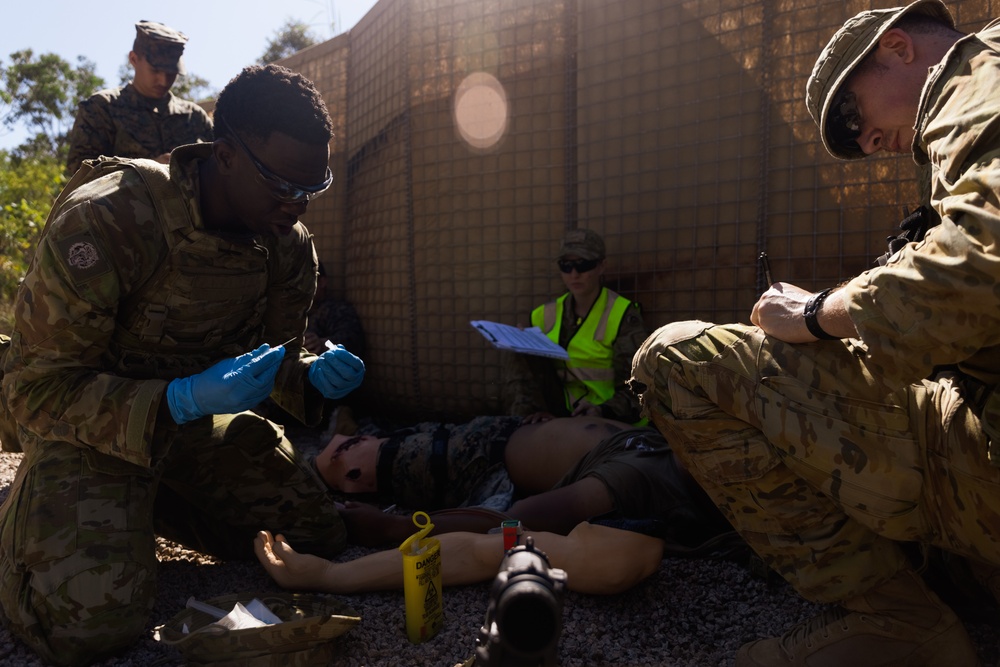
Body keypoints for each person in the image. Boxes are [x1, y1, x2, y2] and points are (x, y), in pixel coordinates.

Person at [630, 2, 1000, 665]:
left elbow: (981, 261)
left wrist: (813, 313)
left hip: (983, 451)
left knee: (677, 362)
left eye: (853, 116)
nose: (865, 143)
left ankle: (899, 620)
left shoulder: (974, 75)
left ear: (898, 48)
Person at [0, 64, 365, 667]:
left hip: (187, 431)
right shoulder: (111, 218)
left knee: (313, 537)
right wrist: (178, 400)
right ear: (225, 156)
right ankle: (20, 519)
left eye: (311, 188)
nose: (296, 204)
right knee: (85, 627)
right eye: (280, 184)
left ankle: (142, 502)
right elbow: (33, 390)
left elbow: (275, 360)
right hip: (87, 432)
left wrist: (310, 375)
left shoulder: (287, 245)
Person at [255, 417, 737, 596]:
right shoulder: (676, 449)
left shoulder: (631, 485)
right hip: (502, 440)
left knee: (370, 460)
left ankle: (322, 484)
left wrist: (389, 532)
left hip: (484, 461)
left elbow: (494, 538)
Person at [504, 229, 647, 424]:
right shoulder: (543, 315)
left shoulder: (622, 314)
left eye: (583, 265)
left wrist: (602, 411)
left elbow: (637, 387)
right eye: (566, 265)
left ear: (601, 266)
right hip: (559, 414)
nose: (574, 274)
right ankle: (524, 423)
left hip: (607, 418)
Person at [65, 20, 214, 175]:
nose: (163, 80)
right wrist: (147, 169)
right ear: (134, 59)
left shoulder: (195, 117)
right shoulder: (102, 108)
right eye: (155, 70)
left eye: (171, 73)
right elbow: (80, 172)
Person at [303, 261, 365, 357]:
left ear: (322, 282)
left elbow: (352, 341)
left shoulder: (337, 310)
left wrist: (321, 344)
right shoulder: (296, 313)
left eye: (307, 280)